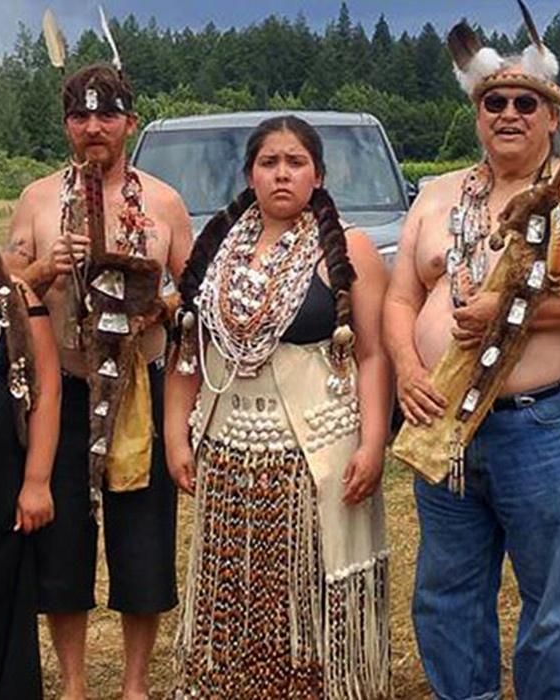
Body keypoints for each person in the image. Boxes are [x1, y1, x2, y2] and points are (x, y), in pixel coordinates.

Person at [382, 16, 560, 697]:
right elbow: (398, 302)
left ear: (550, 117)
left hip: (543, 428)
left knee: (549, 602)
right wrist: (405, 368)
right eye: (493, 102)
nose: (508, 114)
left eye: (525, 103)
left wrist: (518, 308)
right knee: (445, 593)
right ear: (476, 112)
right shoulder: (435, 194)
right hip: (442, 421)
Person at [165, 115, 392, 699]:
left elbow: (372, 354)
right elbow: (189, 348)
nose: (282, 174)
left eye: (295, 162)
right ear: (250, 175)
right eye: (270, 163)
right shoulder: (217, 250)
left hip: (314, 449)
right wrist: (175, 434)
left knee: (308, 588)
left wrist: (371, 443)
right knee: (234, 585)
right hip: (229, 449)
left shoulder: (352, 250)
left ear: (318, 175)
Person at [1, 63, 192, 700]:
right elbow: (6, 292)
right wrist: (41, 270)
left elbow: (191, 291)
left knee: (142, 537)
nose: (93, 128)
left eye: (106, 115)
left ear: (129, 123)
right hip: (66, 391)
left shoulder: (163, 201)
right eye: (80, 117)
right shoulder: (35, 199)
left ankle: (135, 685)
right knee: (62, 543)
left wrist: (157, 304)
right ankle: (76, 684)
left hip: (139, 386)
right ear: (66, 127)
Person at [0, 243, 61, 700]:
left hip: (5, 477)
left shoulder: (16, 299)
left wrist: (36, 482)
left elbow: (47, 391)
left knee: (1, 599)